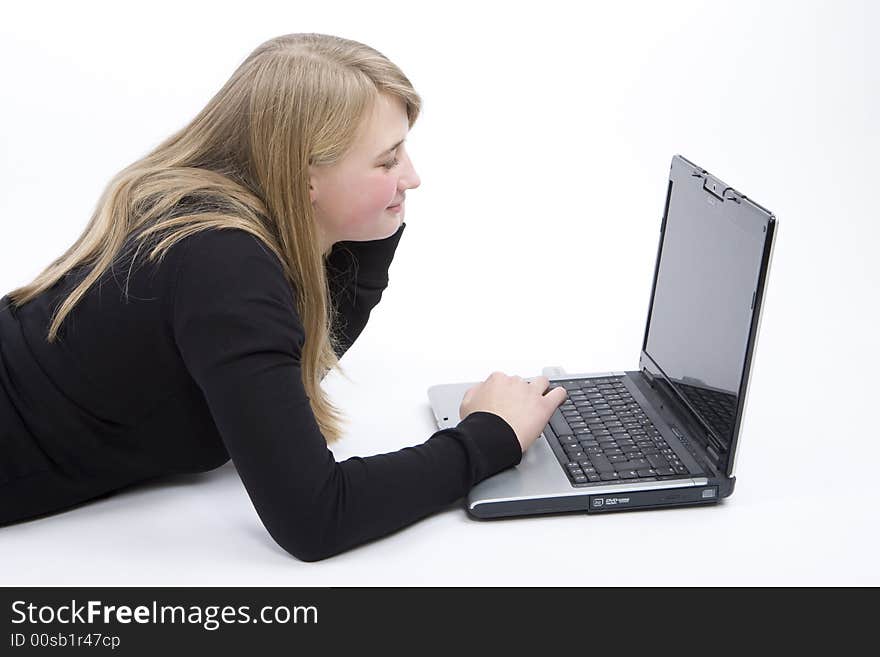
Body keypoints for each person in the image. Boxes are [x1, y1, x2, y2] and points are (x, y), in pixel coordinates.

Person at [0, 33, 567, 561]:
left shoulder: (210, 216)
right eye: (387, 160)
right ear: (303, 178)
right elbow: (316, 517)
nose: (412, 177)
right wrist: (489, 438)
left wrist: (374, 221)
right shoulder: (221, 265)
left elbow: (291, 367)